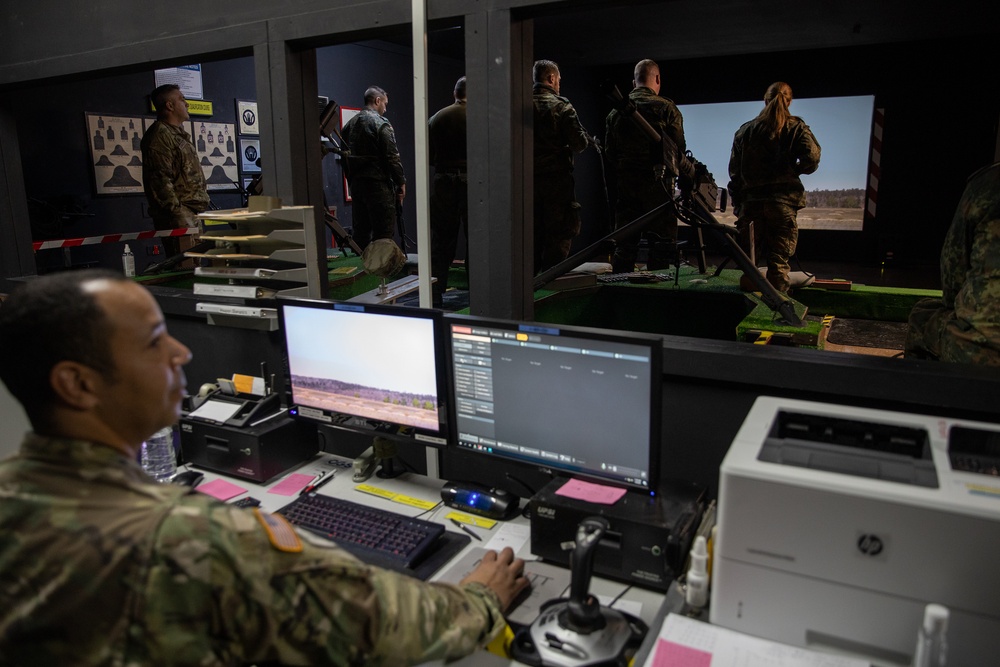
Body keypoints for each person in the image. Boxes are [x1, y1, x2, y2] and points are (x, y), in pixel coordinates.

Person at [0, 270, 529, 665]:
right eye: (155, 340)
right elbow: (391, 625)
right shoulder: (195, 539)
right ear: (77, 384)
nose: (182, 352)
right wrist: (482, 596)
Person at [727, 81, 821, 293]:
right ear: (789, 101)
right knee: (778, 268)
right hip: (782, 206)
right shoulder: (796, 127)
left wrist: (738, 204)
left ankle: (747, 314)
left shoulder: (745, 131)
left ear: (765, 100)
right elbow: (812, 158)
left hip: (751, 207)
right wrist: (795, 170)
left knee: (749, 268)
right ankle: (778, 314)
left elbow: (734, 174)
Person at [905, 161, 1000, 365]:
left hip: (983, 353)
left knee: (924, 316)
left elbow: (952, 283)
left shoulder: (989, 183)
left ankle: (914, 392)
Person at [604, 59, 686, 274]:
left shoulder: (614, 114)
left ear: (634, 82)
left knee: (624, 248)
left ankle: (618, 294)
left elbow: (610, 154)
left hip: (627, 190)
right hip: (659, 192)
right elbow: (677, 151)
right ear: (657, 79)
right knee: (662, 250)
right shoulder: (667, 109)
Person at [532, 60, 591, 275]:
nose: (559, 85)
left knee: (530, 235)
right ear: (551, 78)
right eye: (558, 80)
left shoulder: (517, 105)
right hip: (556, 184)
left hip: (524, 183)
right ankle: (548, 284)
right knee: (560, 235)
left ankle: (526, 289)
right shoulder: (561, 106)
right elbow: (580, 144)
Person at [140, 83, 210, 259]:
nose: (186, 104)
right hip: (179, 216)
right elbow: (160, 180)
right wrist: (177, 213)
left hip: (191, 213)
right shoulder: (160, 135)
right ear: (169, 106)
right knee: (186, 266)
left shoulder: (176, 133)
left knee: (196, 265)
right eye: (181, 99)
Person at [342, 86, 407, 251]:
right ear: (377, 101)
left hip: (357, 186)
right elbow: (392, 157)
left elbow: (344, 158)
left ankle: (363, 272)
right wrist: (401, 182)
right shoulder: (381, 123)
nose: (385, 109)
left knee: (361, 233)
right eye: (385, 104)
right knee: (383, 235)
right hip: (378, 186)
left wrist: (352, 180)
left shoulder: (349, 125)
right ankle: (382, 274)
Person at [428, 75, 469, 306]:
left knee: (441, 240)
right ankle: (479, 293)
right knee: (476, 239)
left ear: (455, 93)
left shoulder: (436, 118)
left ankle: (435, 293)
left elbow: (429, 154)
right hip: (473, 181)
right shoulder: (479, 116)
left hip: (442, 182)